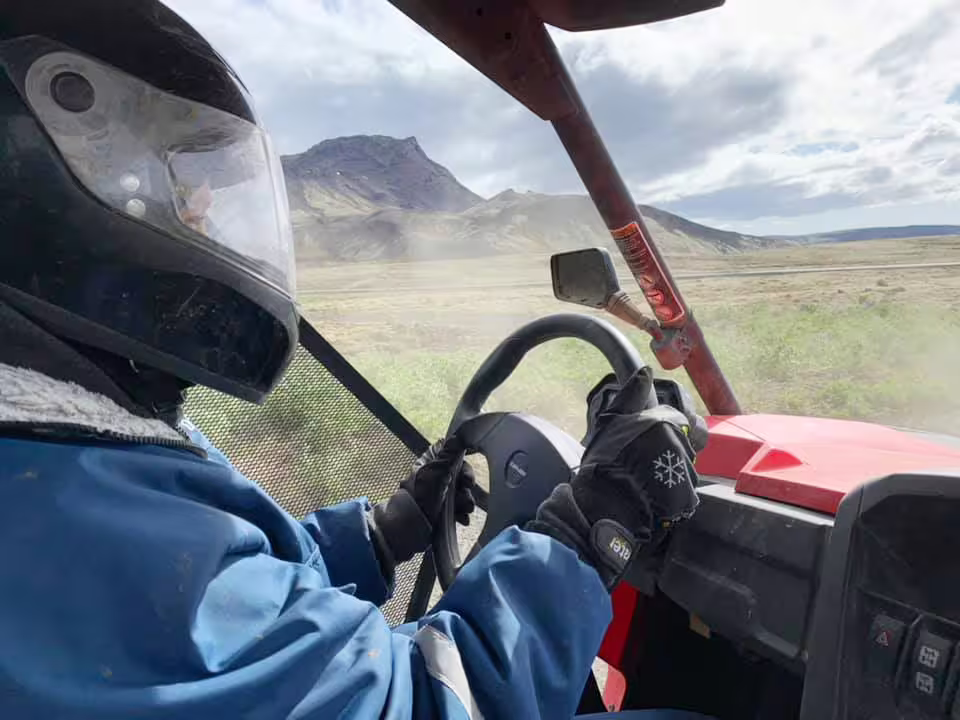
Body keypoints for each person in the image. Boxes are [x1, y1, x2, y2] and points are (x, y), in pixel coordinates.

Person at [0, 2, 708, 718]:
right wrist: (592, 527)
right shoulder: (67, 516)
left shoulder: (72, 458)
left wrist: (381, 534)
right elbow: (422, 707)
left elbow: (239, 606)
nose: (207, 213)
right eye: (183, 193)